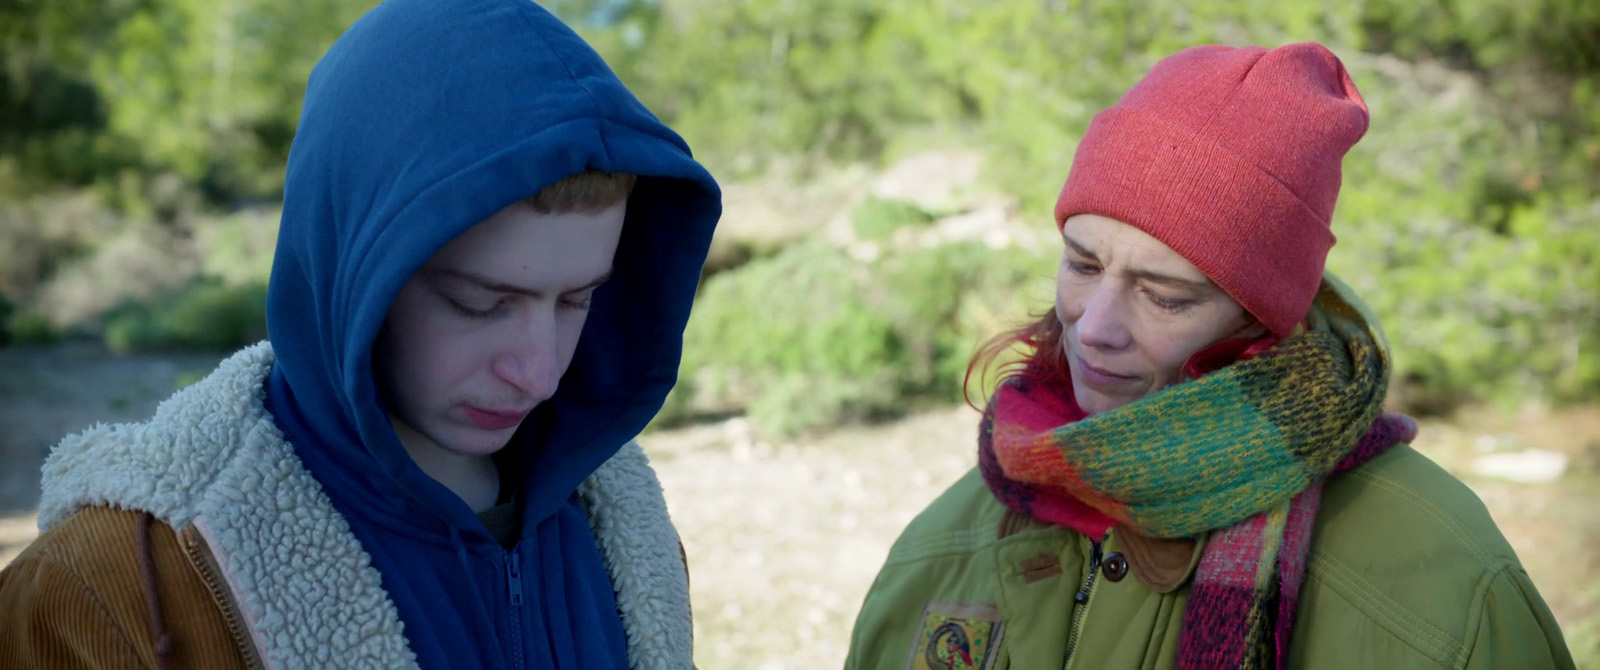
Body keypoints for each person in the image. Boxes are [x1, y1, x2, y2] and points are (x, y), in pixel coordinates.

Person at [0, 0, 720, 667]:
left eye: (577, 301)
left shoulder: (627, 536)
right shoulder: (110, 591)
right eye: (479, 302)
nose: (539, 373)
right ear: (348, 272)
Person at [845, 43, 1575, 670]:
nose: (1093, 327)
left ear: (1260, 320)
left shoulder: (1449, 587)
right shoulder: (953, 537)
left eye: (1165, 296)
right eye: (1083, 264)